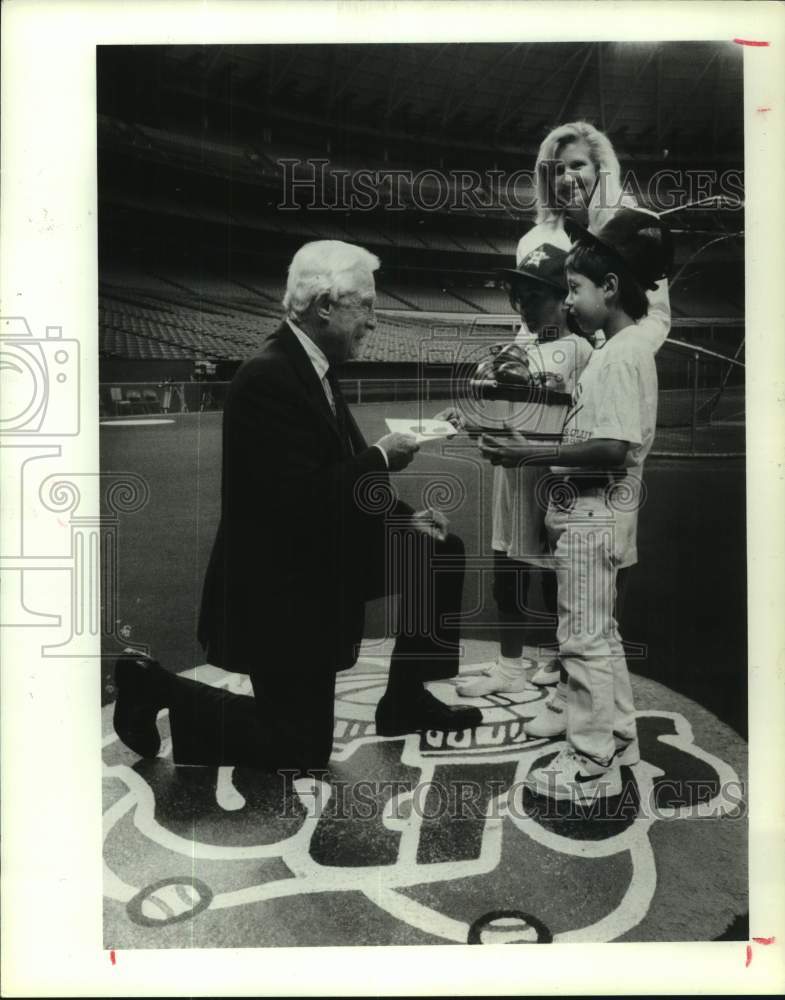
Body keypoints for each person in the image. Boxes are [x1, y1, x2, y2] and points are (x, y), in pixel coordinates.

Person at [113, 240, 481, 777]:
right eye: (366, 306)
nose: (374, 322)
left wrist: (405, 518)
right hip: (278, 590)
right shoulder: (268, 377)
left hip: (313, 564)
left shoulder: (314, 369)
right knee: (299, 749)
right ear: (325, 305)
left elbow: (344, 476)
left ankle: (404, 699)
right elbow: (300, 503)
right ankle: (153, 686)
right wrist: (381, 457)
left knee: (437, 550)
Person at [479, 207, 672, 801]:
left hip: (592, 516)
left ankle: (590, 765)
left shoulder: (616, 354)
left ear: (611, 288)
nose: (571, 300)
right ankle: (617, 737)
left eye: (576, 288)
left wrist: (530, 458)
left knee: (582, 640)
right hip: (601, 516)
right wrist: (530, 447)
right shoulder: (627, 345)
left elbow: (612, 447)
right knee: (602, 636)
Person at [498, 121, 672, 699]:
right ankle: (558, 661)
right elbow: (530, 319)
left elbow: (655, 318)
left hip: (604, 395)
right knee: (542, 535)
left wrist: (602, 363)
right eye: (556, 169)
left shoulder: (631, 226)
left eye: (578, 165)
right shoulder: (535, 238)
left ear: (600, 169)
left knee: (596, 538)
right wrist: (526, 361)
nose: (567, 178)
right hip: (550, 400)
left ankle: (582, 673)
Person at [455, 242, 593, 699]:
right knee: (506, 570)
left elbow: (582, 430)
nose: (526, 307)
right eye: (521, 297)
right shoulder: (523, 342)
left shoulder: (582, 352)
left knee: (558, 578)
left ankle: (560, 662)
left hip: (551, 477)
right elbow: (500, 402)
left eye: (536, 297)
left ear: (563, 298)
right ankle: (511, 665)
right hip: (512, 479)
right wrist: (470, 422)